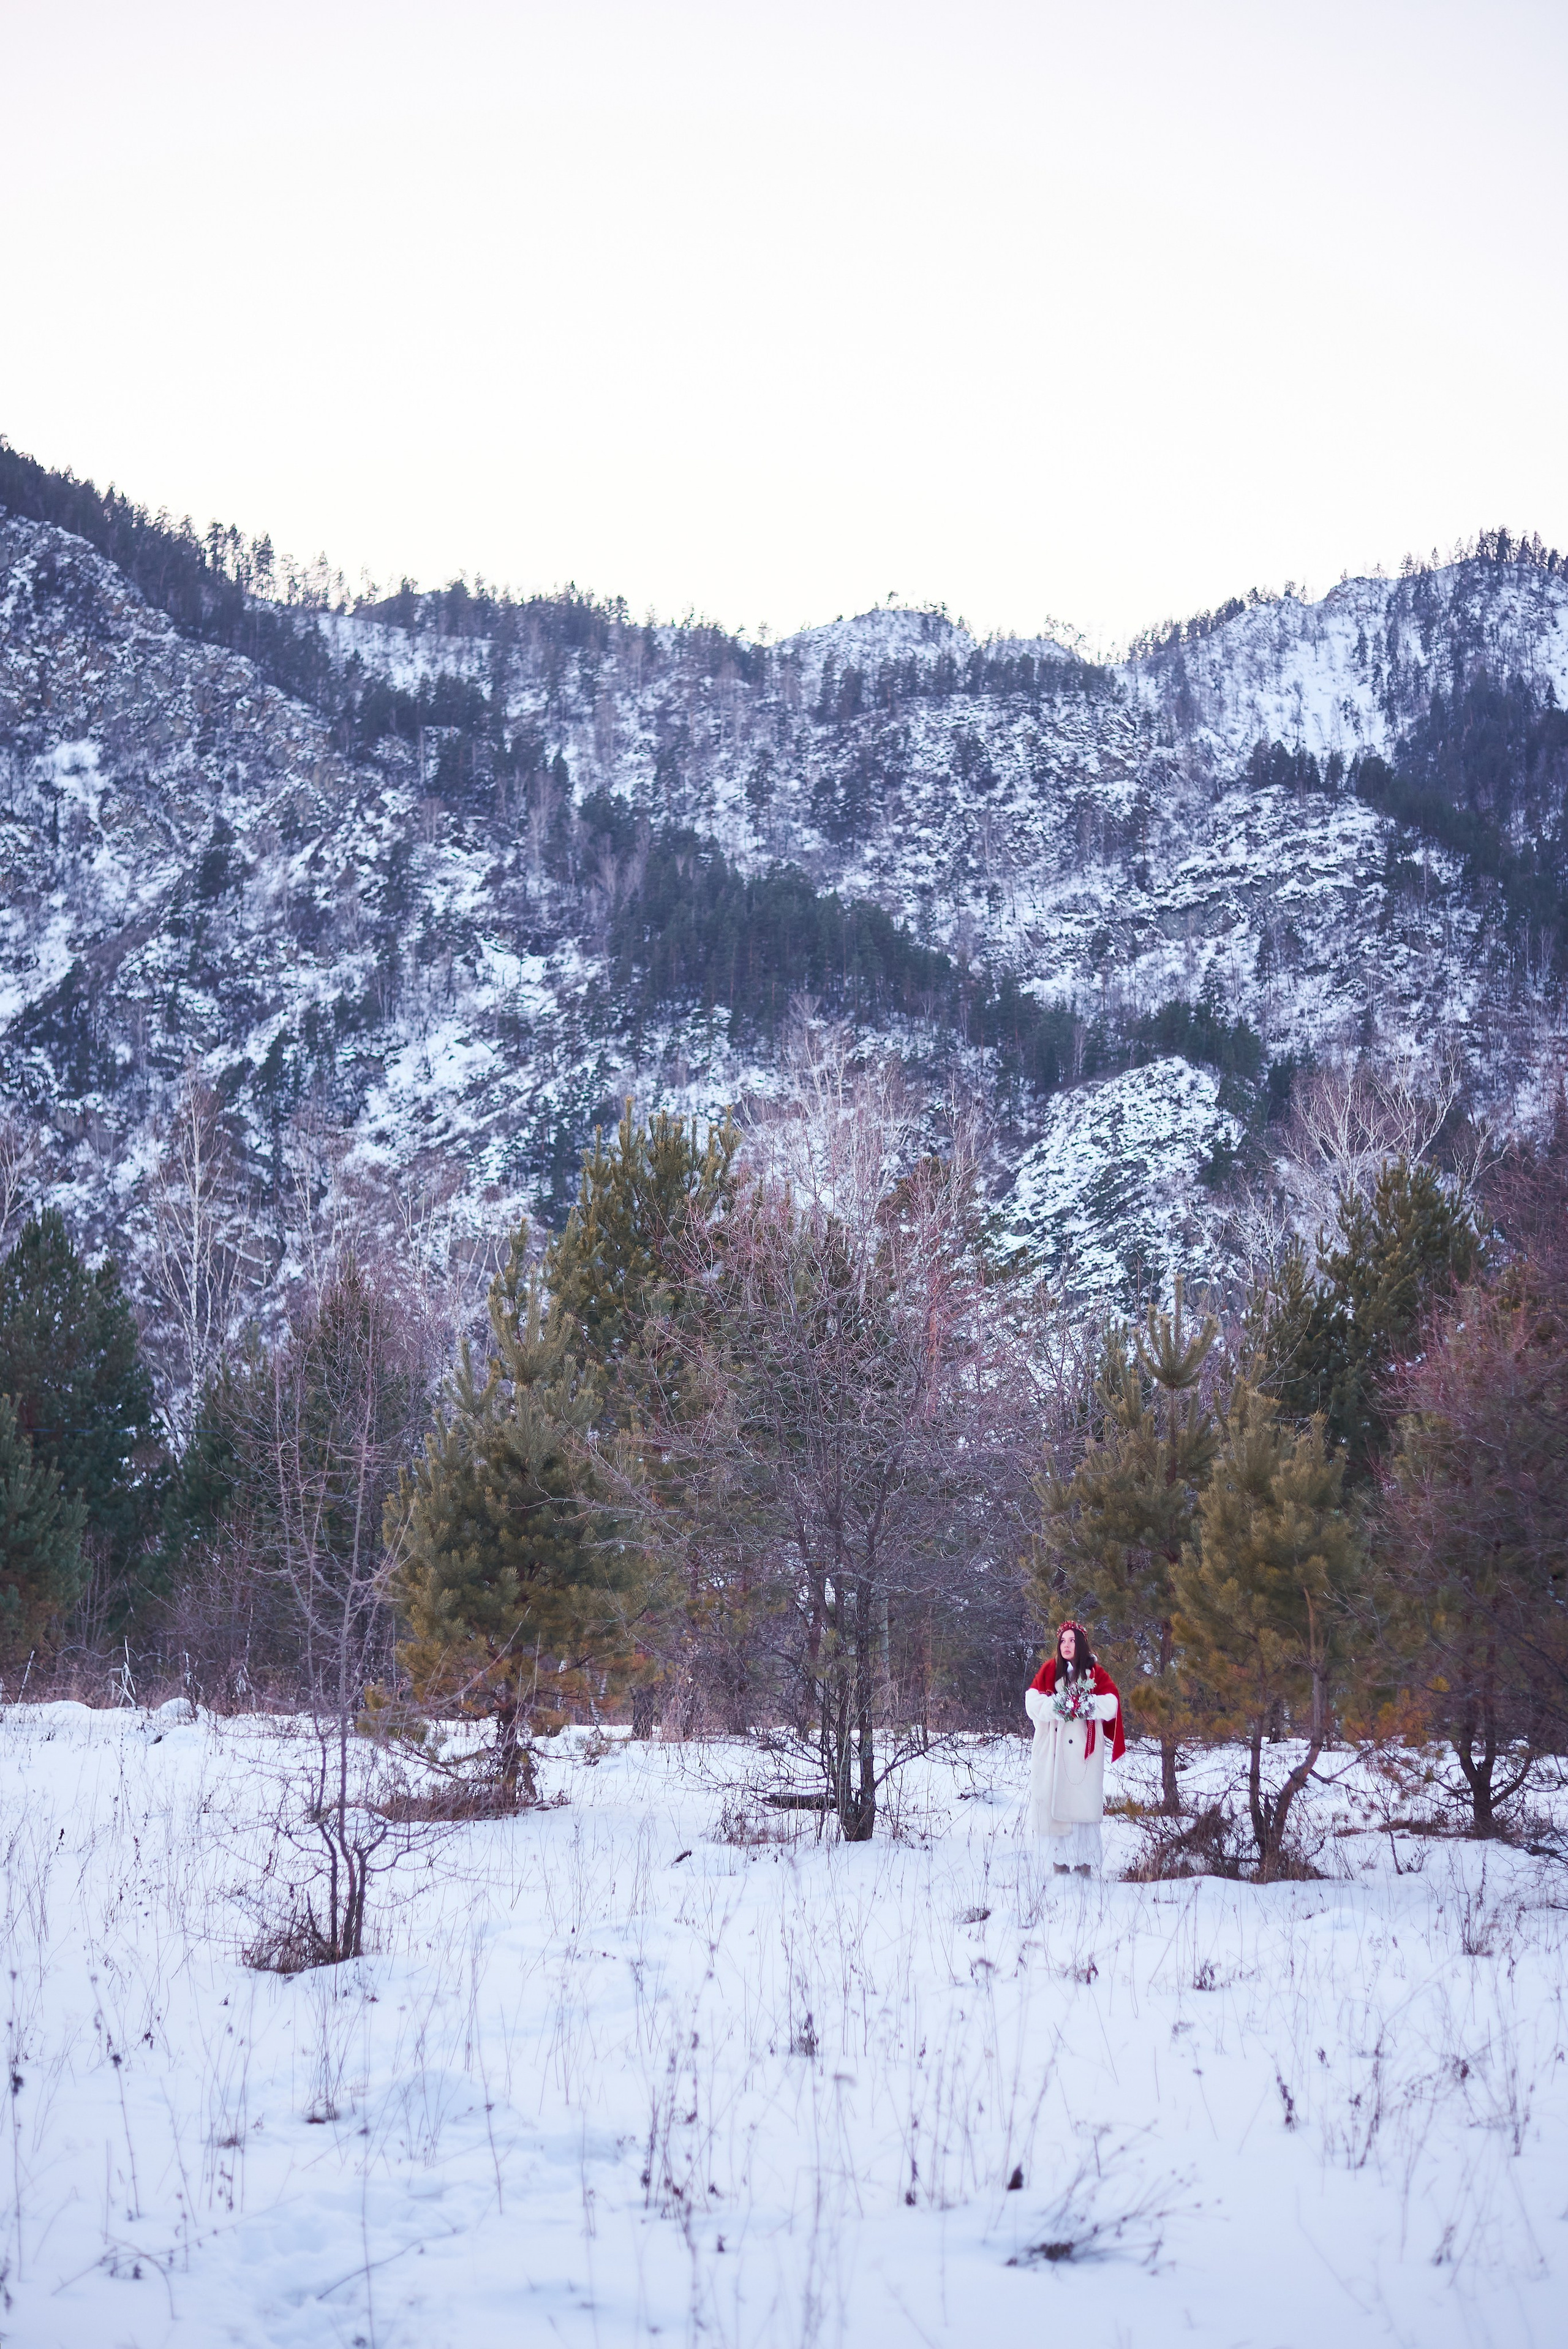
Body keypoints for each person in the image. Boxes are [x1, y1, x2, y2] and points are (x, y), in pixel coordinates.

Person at [1025, 1620, 1125, 1875]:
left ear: (1080, 1645)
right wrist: (1059, 1706)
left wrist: (1084, 1706)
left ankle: (1084, 1868)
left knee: (1081, 1808)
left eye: (1072, 1641)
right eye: (1063, 1641)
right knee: (1056, 1809)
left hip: (1084, 1756)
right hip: (1054, 1753)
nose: (1067, 1646)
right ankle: (1059, 1867)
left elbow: (1111, 1703)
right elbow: (1032, 1703)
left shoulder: (1095, 1673)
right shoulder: (1050, 1670)